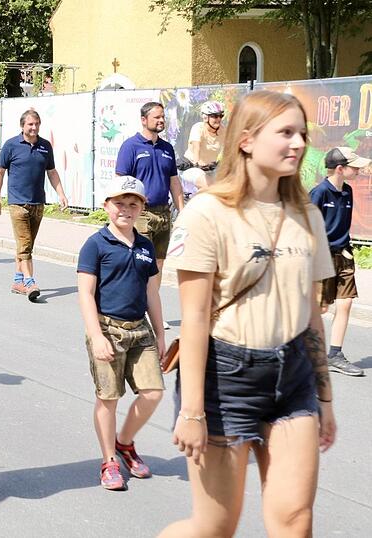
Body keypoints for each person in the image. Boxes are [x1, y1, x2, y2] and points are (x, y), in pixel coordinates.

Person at [159, 91, 336, 537]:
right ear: (247, 140)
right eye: (286, 132)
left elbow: (311, 313)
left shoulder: (307, 215)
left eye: (301, 133)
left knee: (295, 521)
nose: (298, 143)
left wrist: (325, 398)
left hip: (293, 377)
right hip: (225, 380)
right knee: (214, 527)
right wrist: (192, 411)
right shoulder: (207, 213)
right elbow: (194, 318)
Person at [77, 176, 165, 491]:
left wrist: (160, 334)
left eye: (133, 204)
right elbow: (86, 294)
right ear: (106, 206)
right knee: (108, 398)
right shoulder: (95, 244)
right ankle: (109, 460)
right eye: (119, 203)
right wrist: (96, 336)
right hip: (107, 329)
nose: (126, 209)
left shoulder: (145, 245)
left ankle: (125, 442)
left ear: (142, 208)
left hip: (140, 330)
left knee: (153, 392)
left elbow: (152, 292)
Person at [116, 102, 184, 331]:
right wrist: (126, 211)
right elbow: (121, 181)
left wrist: (182, 211)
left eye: (163, 117)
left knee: (158, 264)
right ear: (144, 120)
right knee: (140, 261)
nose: (161, 120)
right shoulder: (131, 146)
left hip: (163, 213)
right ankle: (133, 309)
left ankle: (150, 309)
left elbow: (174, 181)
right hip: (141, 214)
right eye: (156, 117)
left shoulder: (167, 148)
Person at [0, 110, 69, 302]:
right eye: (30, 124)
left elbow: (52, 172)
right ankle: (29, 282)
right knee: (25, 245)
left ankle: (18, 281)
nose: (34, 128)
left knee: (26, 245)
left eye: (37, 124)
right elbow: (0, 172)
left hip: (38, 203)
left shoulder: (45, 146)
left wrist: (61, 194)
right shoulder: (11, 145)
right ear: (22, 126)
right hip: (18, 203)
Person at [310, 147, 370, 377]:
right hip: (321, 256)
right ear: (340, 169)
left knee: (345, 304)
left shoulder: (348, 191)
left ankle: (334, 354)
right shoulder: (319, 193)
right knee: (318, 308)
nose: (358, 170)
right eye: (354, 167)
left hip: (344, 255)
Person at [180, 101, 225, 195]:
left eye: (221, 115)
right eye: (215, 116)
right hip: (191, 167)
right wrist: (197, 163)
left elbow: (228, 148)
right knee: (208, 186)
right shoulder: (198, 128)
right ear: (205, 117)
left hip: (209, 170)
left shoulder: (222, 130)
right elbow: (196, 147)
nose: (218, 119)